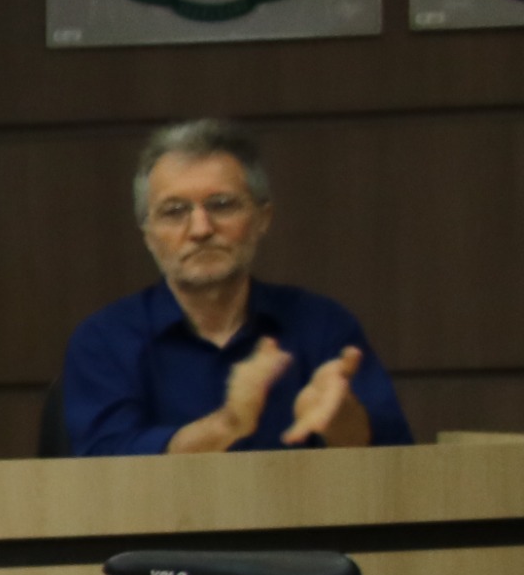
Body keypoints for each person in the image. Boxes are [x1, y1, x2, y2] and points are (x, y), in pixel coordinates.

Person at [58, 117, 411, 455]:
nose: (201, 229)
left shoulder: (322, 325)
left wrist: (341, 418)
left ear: (262, 219)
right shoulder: (104, 340)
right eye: (174, 211)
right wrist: (227, 424)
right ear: (148, 235)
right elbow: (104, 466)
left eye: (222, 205)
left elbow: (393, 460)